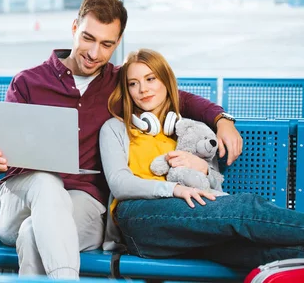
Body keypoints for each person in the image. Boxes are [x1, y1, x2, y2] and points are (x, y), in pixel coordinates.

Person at [0, 0, 243, 279]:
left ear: (118, 43)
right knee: (45, 182)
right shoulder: (28, 82)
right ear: (74, 27)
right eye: (88, 38)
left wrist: (222, 119)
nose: (94, 53)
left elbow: (180, 98)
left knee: (34, 234)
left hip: (82, 203)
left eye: (106, 44)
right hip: (21, 199)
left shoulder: (121, 85)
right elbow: (6, 151)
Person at [100, 48, 304, 270]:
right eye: (133, 83)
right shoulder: (115, 128)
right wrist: (174, 189)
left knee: (267, 252)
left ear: (166, 81)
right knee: (244, 208)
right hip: (138, 217)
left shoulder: (190, 129)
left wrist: (203, 169)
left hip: (188, 221)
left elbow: (214, 185)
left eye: (150, 79)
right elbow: (119, 184)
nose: (143, 89)